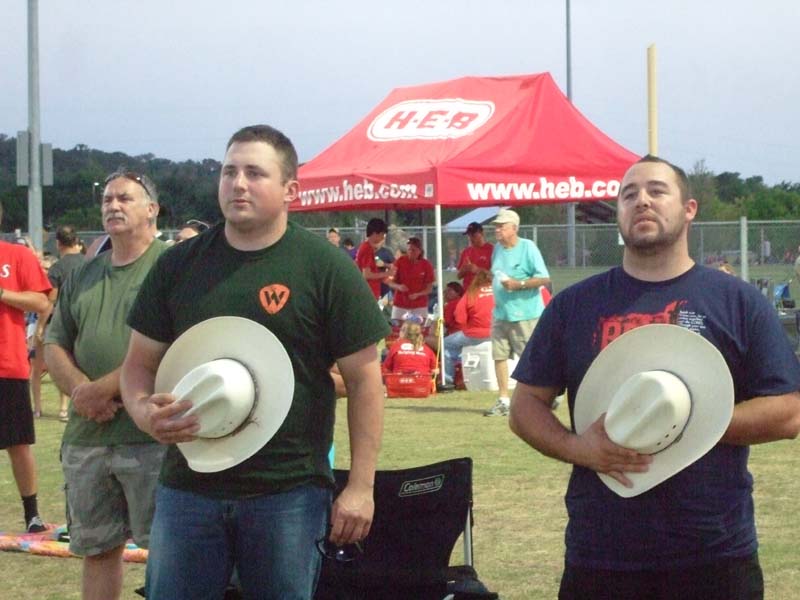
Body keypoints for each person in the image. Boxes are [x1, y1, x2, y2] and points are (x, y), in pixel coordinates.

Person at [508, 155, 800, 600]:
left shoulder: (738, 303)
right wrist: (577, 447)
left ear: (689, 209)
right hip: (601, 554)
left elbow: (788, 412)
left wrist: (685, 423)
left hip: (714, 554)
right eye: (628, 195)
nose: (641, 201)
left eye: (657, 191)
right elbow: (524, 405)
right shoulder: (574, 306)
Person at [119, 124, 388, 600]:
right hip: (188, 487)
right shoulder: (178, 265)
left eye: (254, 173)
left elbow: (366, 384)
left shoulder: (325, 268)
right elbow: (138, 365)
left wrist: (360, 486)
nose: (237, 183)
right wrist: (143, 412)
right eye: (228, 171)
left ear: (290, 190)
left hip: (288, 492)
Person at [44, 169, 168, 600]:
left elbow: (176, 342)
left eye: (125, 199)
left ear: (151, 209)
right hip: (87, 438)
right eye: (108, 199)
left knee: (168, 550)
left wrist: (108, 388)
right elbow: (54, 343)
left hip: (150, 434)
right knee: (97, 549)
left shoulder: (169, 266)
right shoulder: (82, 273)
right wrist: (82, 392)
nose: (113, 205)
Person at [0, 201, 52, 533]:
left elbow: (41, 301)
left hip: (8, 363)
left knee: (18, 443)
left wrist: (4, 292)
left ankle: (31, 514)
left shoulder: (16, 256)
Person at [485, 208, 550, 417]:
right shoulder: (497, 249)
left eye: (502, 226)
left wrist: (518, 284)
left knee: (529, 358)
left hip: (526, 314)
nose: (497, 229)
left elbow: (544, 278)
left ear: (514, 228)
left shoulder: (528, 248)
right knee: (499, 355)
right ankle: (503, 399)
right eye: (496, 226)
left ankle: (543, 396)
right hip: (501, 313)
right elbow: (495, 273)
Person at [45, 225, 86, 421]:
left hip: (61, 321)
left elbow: (50, 300)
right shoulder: (90, 261)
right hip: (85, 318)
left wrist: (40, 327)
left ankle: (63, 408)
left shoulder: (57, 268)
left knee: (62, 364)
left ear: (58, 243)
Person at [443, 270, 494, 384]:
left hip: (474, 334)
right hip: (498, 333)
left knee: (445, 344)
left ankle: (448, 379)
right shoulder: (499, 292)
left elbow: (460, 318)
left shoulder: (471, 293)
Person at [386, 237, 434, 322]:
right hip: (400, 303)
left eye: (413, 250)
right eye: (409, 249)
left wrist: (418, 294)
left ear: (420, 251)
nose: (410, 252)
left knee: (417, 330)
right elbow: (389, 281)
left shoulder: (426, 265)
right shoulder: (400, 262)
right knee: (401, 331)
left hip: (419, 305)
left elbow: (429, 288)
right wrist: (398, 286)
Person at [355, 218, 390, 300]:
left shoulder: (368, 248)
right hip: (367, 296)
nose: (383, 238)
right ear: (375, 234)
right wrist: (387, 273)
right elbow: (367, 275)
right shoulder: (367, 249)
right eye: (382, 234)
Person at [457, 221, 494, 290]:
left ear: (482, 233)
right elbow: (458, 276)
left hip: (485, 291)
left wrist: (477, 270)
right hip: (468, 291)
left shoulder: (492, 250)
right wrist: (465, 269)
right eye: (469, 235)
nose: (471, 238)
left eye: (473, 235)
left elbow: (495, 275)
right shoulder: (466, 251)